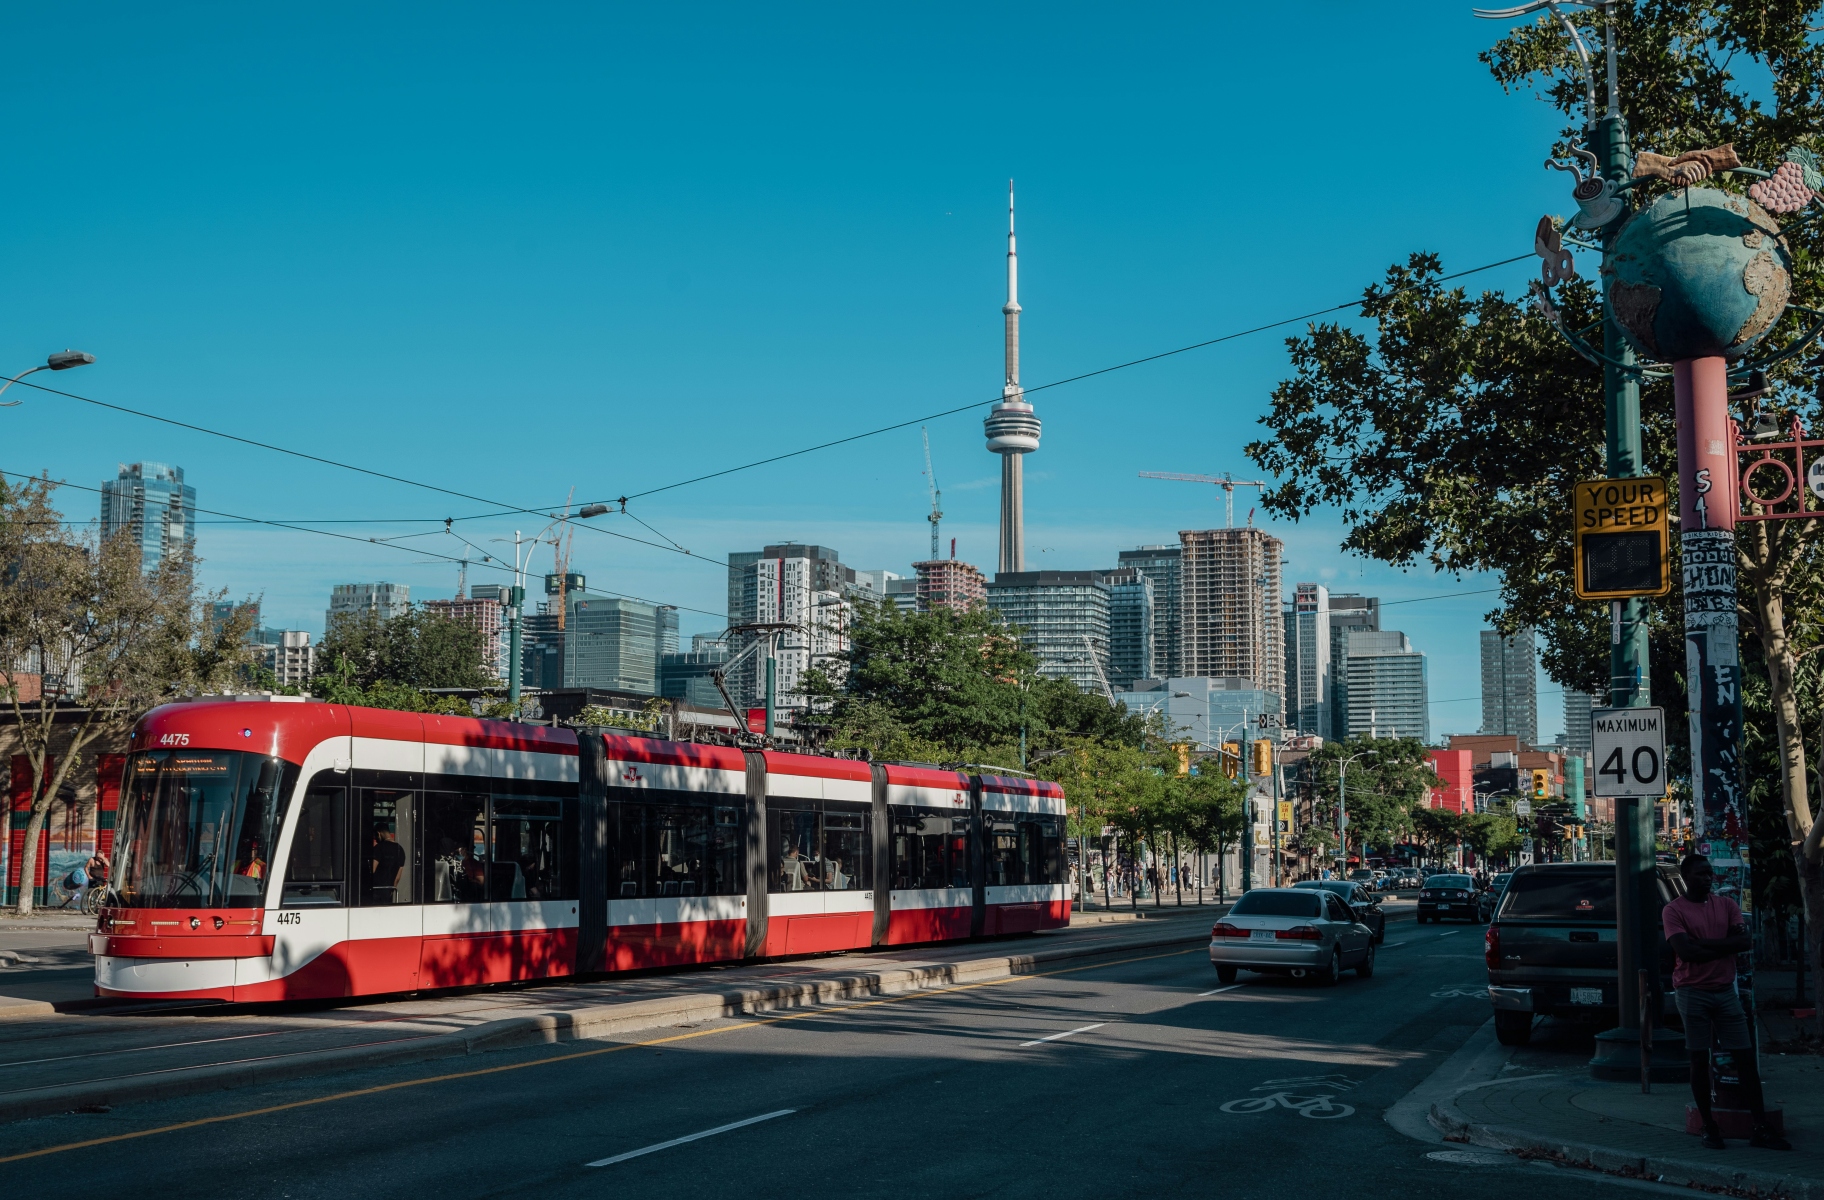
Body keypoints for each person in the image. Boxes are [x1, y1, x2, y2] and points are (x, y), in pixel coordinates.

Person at [1662, 854, 1791, 1151]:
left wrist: (1702, 944)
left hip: (1724, 991)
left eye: (1709, 873)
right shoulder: (1674, 910)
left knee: (1744, 1058)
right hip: (1692, 991)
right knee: (1698, 1058)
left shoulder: (1727, 905)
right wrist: (1722, 947)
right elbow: (1686, 952)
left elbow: (1744, 944)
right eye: (1700, 874)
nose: (1707, 878)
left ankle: (1760, 1127)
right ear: (1686, 877)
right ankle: (1709, 1126)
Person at [366, 824, 406, 903]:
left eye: (376, 837)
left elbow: (372, 870)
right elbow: (398, 877)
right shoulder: (400, 850)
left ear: (379, 833)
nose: (376, 840)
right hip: (388, 891)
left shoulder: (378, 848)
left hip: (376, 891)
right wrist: (392, 889)